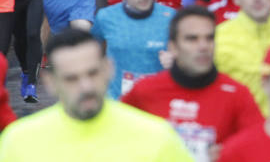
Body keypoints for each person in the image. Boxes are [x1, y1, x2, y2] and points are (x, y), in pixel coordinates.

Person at [0, 29, 192, 160]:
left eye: (92, 73)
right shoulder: (18, 143)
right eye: (71, 79)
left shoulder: (158, 137)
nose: (86, 86)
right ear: (50, 82)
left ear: (108, 68)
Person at [122, 6, 263, 162]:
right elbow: (116, 143)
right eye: (192, 39)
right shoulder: (144, 91)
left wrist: (230, 155)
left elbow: (261, 150)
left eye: (209, 38)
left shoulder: (238, 95)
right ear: (173, 47)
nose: (203, 46)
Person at [91, 0, 174, 98]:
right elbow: (90, 49)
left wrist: (176, 60)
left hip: (156, 100)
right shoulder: (106, 16)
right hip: (118, 101)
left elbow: (187, 57)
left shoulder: (170, 17)